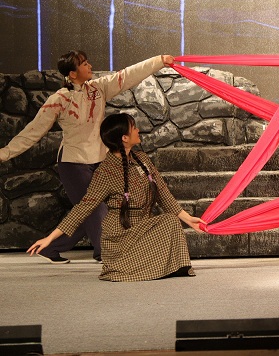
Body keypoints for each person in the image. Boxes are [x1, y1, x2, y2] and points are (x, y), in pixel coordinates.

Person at [0, 51, 174, 264]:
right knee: (95, 207)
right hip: (74, 163)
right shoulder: (59, 100)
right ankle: (105, 253)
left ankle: (52, 247)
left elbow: (127, 75)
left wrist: (159, 61)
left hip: (100, 160)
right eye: (83, 64)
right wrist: (4, 153)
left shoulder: (98, 88)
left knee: (92, 209)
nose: (89, 66)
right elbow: (33, 131)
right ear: (72, 74)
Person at [27, 113, 205, 281]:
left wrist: (188, 219)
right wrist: (50, 238)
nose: (138, 130)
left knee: (170, 221)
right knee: (168, 223)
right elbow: (83, 208)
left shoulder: (142, 159)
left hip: (142, 227)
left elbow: (163, 193)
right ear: (124, 138)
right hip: (120, 237)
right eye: (134, 128)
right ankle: (129, 266)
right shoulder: (105, 171)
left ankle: (162, 267)